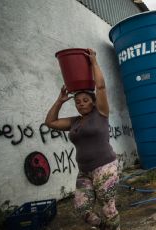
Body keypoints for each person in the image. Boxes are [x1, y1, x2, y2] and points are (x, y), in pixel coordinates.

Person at [45, 48, 120, 230]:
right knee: (81, 207)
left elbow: (100, 87)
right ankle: (104, 227)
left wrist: (93, 61)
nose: (81, 104)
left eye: (85, 101)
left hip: (105, 167)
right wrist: (60, 101)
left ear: (93, 102)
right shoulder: (75, 122)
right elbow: (50, 122)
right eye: (77, 102)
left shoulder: (101, 113)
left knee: (108, 208)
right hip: (84, 171)